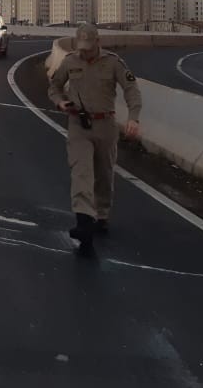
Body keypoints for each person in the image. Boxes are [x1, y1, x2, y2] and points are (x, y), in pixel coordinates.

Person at [47, 23, 141, 254]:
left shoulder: (113, 63)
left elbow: (131, 89)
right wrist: (60, 102)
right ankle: (84, 224)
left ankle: (101, 215)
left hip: (105, 124)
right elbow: (54, 87)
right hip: (79, 124)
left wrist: (133, 118)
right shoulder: (70, 61)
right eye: (82, 47)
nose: (85, 52)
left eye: (89, 47)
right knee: (81, 172)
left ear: (98, 42)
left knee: (103, 173)